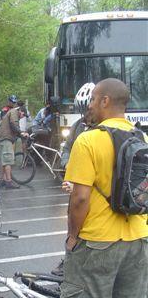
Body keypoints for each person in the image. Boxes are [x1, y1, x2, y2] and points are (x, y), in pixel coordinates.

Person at [54, 78, 148, 298]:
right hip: (138, 237)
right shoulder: (142, 137)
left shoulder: (89, 141)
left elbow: (79, 198)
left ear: (106, 101)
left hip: (98, 241)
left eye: (93, 99)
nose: (89, 105)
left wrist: (72, 236)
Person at [51, 83, 95, 276]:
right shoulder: (78, 126)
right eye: (81, 111)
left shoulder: (105, 132)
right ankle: (70, 259)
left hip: (94, 193)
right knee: (73, 224)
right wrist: (69, 165)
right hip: (78, 188)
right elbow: (67, 148)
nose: (85, 115)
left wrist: (78, 181)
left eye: (87, 110)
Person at [0, 104, 29, 189]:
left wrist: (21, 134)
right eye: (23, 115)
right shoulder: (14, 112)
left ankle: (0, 180)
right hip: (6, 138)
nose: (22, 117)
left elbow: (14, 128)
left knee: (3, 161)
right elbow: (14, 124)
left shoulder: (12, 112)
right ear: (20, 111)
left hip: (2, 138)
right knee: (8, 160)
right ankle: (8, 181)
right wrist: (21, 133)